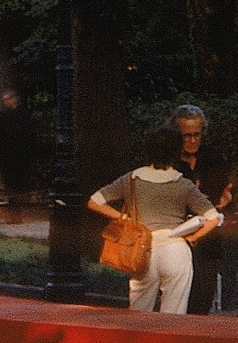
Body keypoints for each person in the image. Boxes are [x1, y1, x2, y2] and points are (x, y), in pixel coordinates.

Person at [91, 116, 218, 316]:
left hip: (143, 248)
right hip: (176, 248)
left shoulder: (131, 179)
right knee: (173, 316)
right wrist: (192, 237)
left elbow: (94, 201)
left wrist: (123, 218)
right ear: (176, 152)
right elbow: (213, 218)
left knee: (138, 314)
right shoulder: (183, 184)